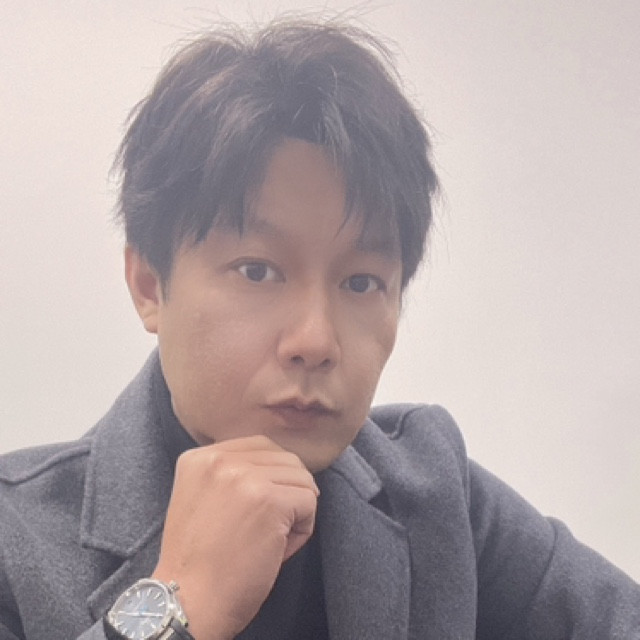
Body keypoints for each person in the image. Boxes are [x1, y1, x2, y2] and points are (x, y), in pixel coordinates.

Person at [0, 17, 638, 640]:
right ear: (149, 285)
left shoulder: (437, 495)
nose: (315, 341)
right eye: (258, 271)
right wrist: (180, 605)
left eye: (361, 282)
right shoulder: (16, 539)